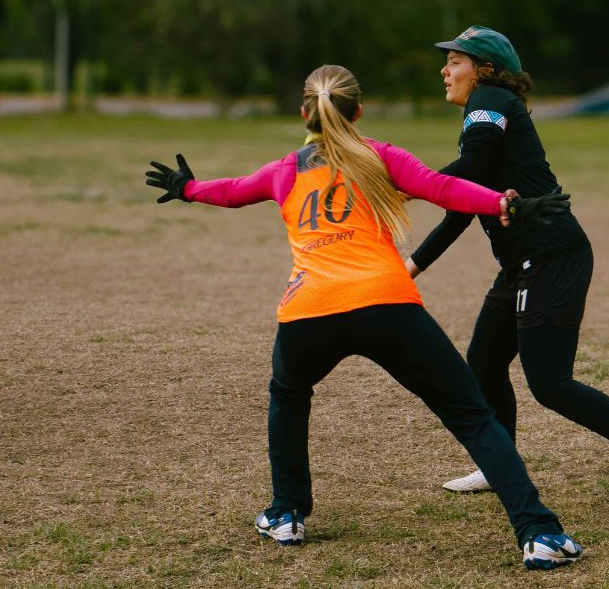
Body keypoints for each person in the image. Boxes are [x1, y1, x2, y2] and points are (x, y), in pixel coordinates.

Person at [146, 64, 581, 569]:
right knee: (473, 417)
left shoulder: (286, 169)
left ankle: (286, 513)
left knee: (288, 395)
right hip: (387, 302)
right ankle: (540, 533)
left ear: (304, 113)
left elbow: (234, 190)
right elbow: (443, 188)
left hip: (310, 309)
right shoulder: (380, 156)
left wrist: (187, 188)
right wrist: (503, 202)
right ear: (359, 111)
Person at [406, 26, 609, 516]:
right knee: (486, 364)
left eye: (455, 61)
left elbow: (468, 167)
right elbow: (462, 207)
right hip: (523, 264)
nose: (445, 70)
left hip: (553, 257)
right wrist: (409, 267)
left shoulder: (488, 101)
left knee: (550, 383)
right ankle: (502, 467)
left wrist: (409, 182)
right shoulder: (485, 113)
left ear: (485, 69)